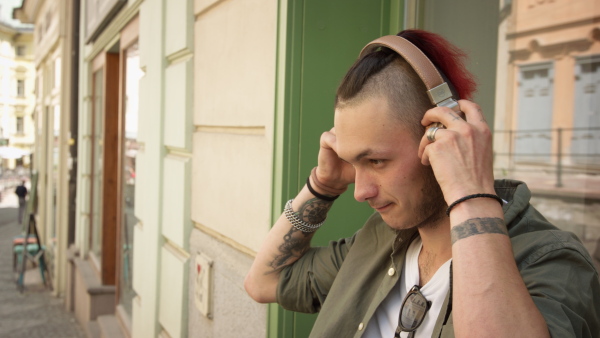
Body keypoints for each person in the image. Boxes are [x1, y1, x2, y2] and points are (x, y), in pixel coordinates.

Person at [244, 30, 600, 337]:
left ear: (443, 135)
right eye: (354, 163)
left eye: (377, 161)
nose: (361, 191)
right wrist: (323, 185)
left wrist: (470, 192)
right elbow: (262, 282)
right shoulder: (377, 242)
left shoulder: (550, 261)